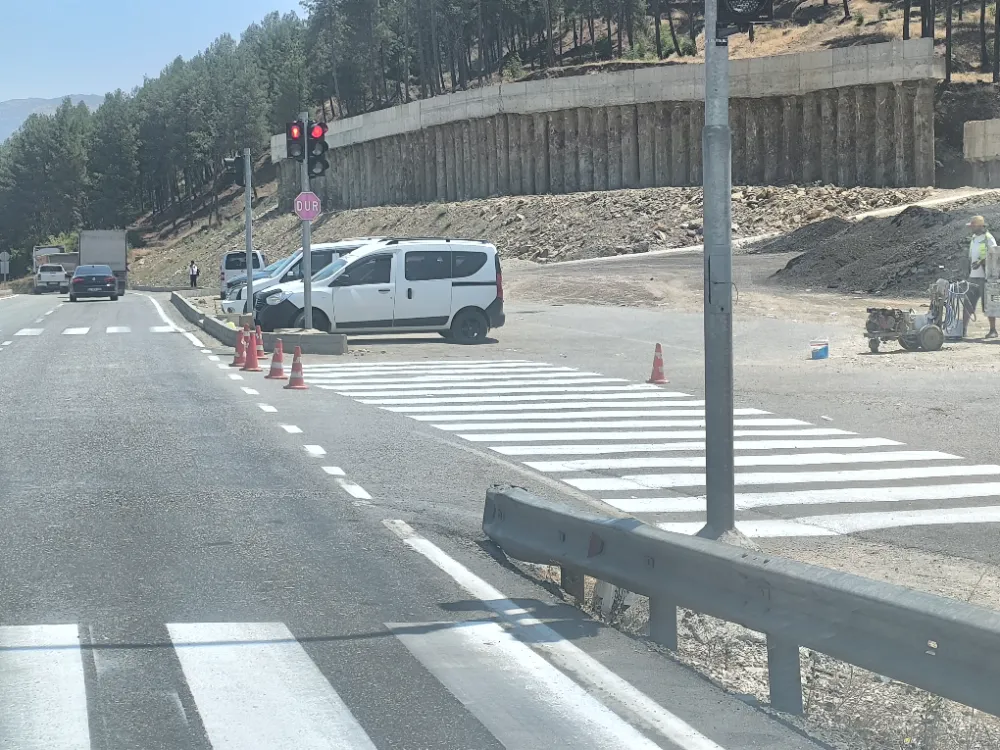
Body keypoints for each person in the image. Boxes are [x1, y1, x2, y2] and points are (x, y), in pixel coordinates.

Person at [963, 216, 998, 339]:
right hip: (972, 277)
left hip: (985, 278)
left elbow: (995, 256)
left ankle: (993, 330)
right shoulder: (974, 238)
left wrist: (981, 262)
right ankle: (963, 330)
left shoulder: (989, 239)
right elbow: (971, 257)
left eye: (973, 225)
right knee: (967, 303)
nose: (971, 228)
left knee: (988, 305)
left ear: (980, 225)